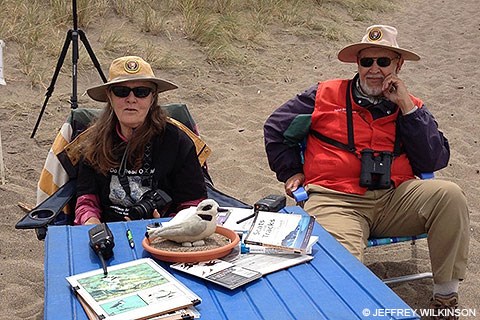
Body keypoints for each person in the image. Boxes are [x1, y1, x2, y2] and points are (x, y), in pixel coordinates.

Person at [264, 25, 469, 317]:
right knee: (339, 265)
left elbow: (433, 160)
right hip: (336, 200)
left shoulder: (411, 105)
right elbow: (275, 127)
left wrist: (408, 109)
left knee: (450, 195)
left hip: (394, 200)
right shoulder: (323, 94)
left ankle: (445, 299)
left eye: (383, 62)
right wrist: (291, 171)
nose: (374, 69)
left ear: (398, 65)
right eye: (366, 61)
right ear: (357, 64)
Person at [74, 56, 207, 225]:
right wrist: (93, 226)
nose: (131, 99)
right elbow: (86, 199)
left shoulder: (177, 141)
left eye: (141, 92)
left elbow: (193, 203)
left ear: (153, 98)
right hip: (108, 228)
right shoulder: (92, 141)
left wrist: (169, 225)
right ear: (110, 97)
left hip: (166, 228)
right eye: (121, 91)